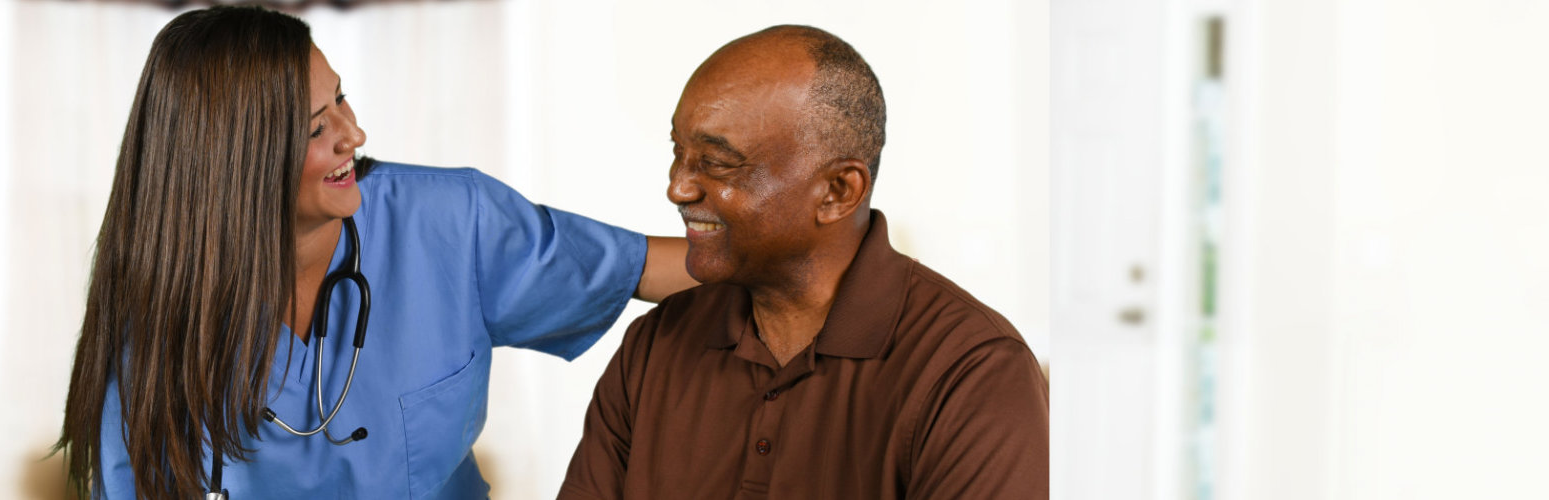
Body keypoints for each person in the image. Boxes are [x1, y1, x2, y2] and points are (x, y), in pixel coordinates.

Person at [52, 6, 696, 500]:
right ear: (232, 164)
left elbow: (657, 268)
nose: (353, 135)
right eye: (316, 128)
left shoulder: (449, 222)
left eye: (341, 99)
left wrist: (789, 248)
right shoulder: (155, 322)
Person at [560, 25, 1048, 499]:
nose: (678, 187)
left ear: (838, 192)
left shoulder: (973, 371)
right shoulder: (655, 345)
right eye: (678, 151)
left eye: (718, 162)